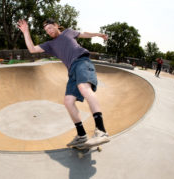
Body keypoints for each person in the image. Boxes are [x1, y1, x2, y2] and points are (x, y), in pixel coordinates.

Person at [17, 19, 110, 148]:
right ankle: (81, 135)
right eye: (46, 30)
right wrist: (26, 32)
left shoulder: (68, 32)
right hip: (71, 70)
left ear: (56, 25)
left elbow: (84, 34)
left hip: (82, 62)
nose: (49, 31)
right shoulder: (50, 45)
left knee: (84, 88)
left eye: (50, 28)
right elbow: (32, 49)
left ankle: (101, 130)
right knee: (68, 101)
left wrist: (99, 35)